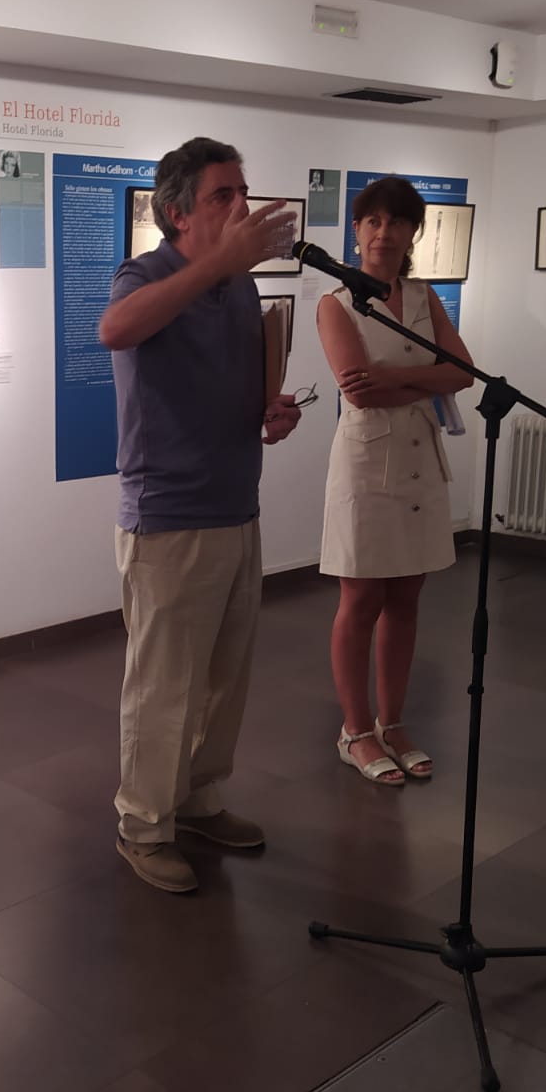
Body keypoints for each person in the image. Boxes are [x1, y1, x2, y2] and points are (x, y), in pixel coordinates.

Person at [98, 137, 303, 893]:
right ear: (178, 213)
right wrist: (217, 266)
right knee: (163, 688)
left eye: (243, 191)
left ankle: (197, 800)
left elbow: (237, 388)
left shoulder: (241, 288)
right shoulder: (146, 274)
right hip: (169, 517)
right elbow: (116, 330)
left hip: (235, 505)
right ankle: (143, 824)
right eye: (223, 195)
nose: (242, 205)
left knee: (223, 678)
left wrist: (271, 412)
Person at [315, 176, 473, 786]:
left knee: (407, 597)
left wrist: (396, 380)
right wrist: (422, 380)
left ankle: (394, 722)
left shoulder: (424, 297)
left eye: (398, 222)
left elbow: (463, 372)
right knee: (360, 601)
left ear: (413, 233)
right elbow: (358, 388)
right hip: (366, 464)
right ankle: (355, 730)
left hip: (419, 459)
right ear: (356, 231)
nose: (385, 233)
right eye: (373, 221)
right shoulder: (336, 302)